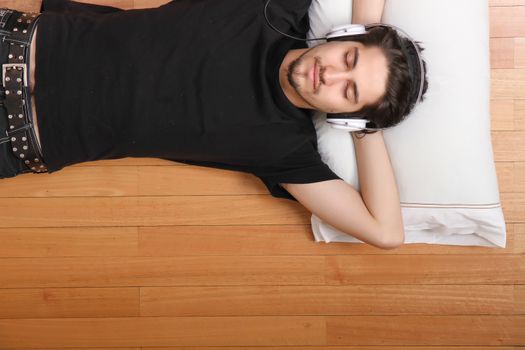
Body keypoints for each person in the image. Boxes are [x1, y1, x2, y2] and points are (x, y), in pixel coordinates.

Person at [0, 0, 428, 249]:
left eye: (349, 92)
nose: (331, 75)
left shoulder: (286, 151)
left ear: (348, 115)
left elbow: (386, 232)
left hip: (15, 138)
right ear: (345, 36)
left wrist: (365, 126)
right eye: (349, 58)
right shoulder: (274, 9)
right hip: (16, 43)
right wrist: (372, 30)